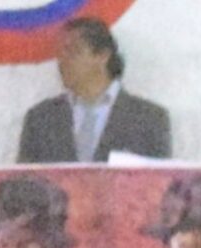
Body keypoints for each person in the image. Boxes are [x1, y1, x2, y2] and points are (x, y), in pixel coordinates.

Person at [16, 18, 171, 164]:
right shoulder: (41, 119)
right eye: (60, 52)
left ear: (103, 55)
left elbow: (158, 184)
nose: (62, 60)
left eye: (73, 51)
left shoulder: (149, 119)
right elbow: (23, 183)